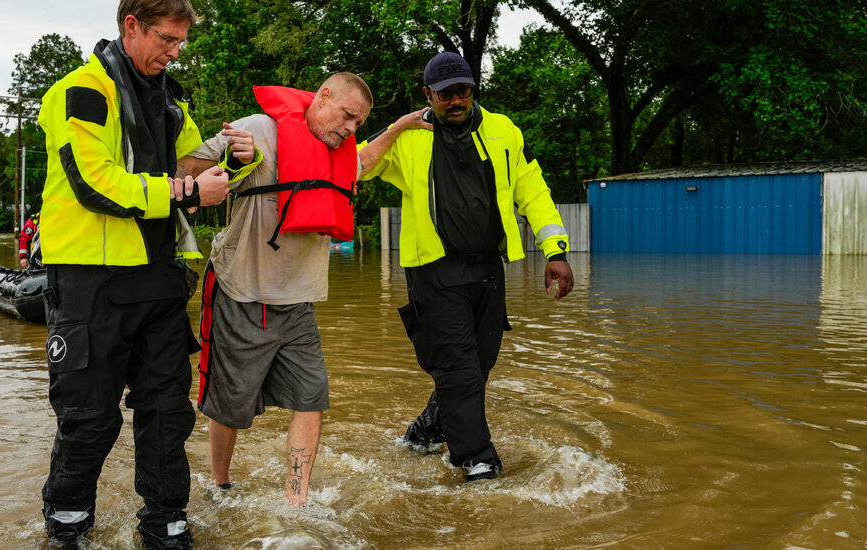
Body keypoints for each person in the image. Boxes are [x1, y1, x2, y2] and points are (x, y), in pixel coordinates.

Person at [35, 1, 244, 548]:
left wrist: (232, 158)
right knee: (89, 417)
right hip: (90, 281)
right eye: (167, 39)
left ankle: (165, 518)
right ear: (131, 26)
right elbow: (95, 183)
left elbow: (188, 167)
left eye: (181, 42)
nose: (175, 52)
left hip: (159, 279)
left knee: (168, 410)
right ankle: (68, 521)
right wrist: (187, 191)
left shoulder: (172, 98)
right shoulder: (79, 90)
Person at [357, 52, 575, 482]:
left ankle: (423, 434)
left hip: (489, 270)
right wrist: (399, 125)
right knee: (456, 365)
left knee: (479, 366)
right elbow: (355, 166)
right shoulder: (409, 137)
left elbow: (533, 190)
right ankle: (476, 458)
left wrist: (556, 250)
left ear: (473, 89)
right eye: (445, 94)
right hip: (434, 273)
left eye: (463, 91)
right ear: (428, 94)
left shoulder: (503, 130)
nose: (455, 101)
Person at [178, 72, 373, 506]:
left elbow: (367, 159)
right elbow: (185, 171)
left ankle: (296, 501)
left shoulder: (339, 154)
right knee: (228, 404)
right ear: (323, 97)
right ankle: (220, 484)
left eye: (359, 123)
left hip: (298, 302)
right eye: (348, 116)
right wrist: (233, 159)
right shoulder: (259, 129)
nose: (351, 129)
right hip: (239, 289)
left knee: (311, 398)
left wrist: (400, 127)